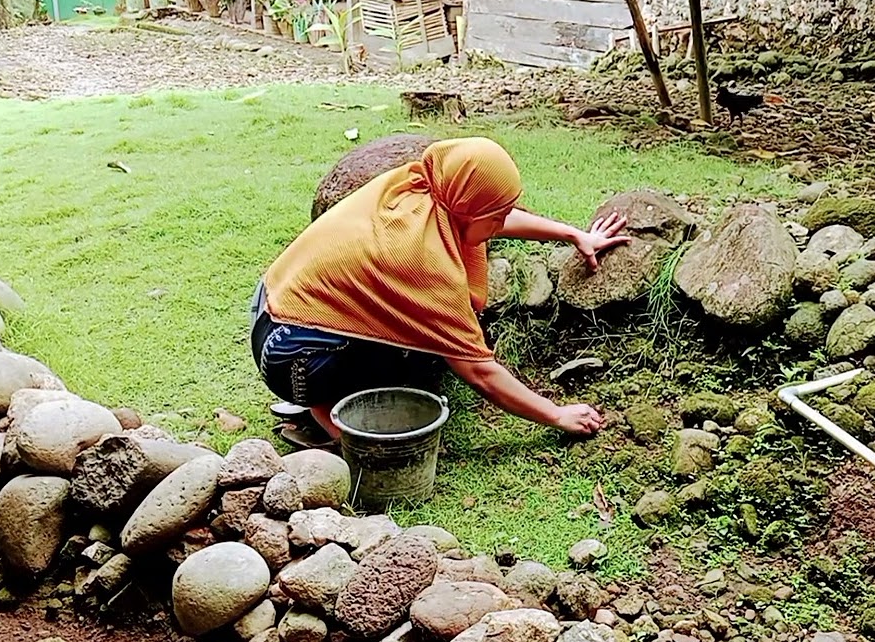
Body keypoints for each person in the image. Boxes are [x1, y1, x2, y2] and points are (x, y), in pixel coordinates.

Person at [250, 136, 631, 449]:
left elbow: (491, 215)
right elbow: (479, 372)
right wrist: (555, 413)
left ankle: (335, 395)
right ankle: (329, 416)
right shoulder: (424, 260)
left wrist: (572, 234)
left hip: (272, 306)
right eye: (495, 216)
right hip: (292, 353)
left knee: (417, 348)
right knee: (429, 351)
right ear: (467, 209)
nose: (501, 222)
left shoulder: (420, 187)